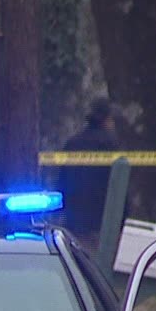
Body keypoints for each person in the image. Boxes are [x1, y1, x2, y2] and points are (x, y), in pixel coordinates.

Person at [58, 97, 120, 244]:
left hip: (73, 224)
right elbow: (118, 184)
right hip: (100, 226)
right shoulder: (110, 144)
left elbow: (62, 182)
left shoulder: (72, 143)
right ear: (107, 119)